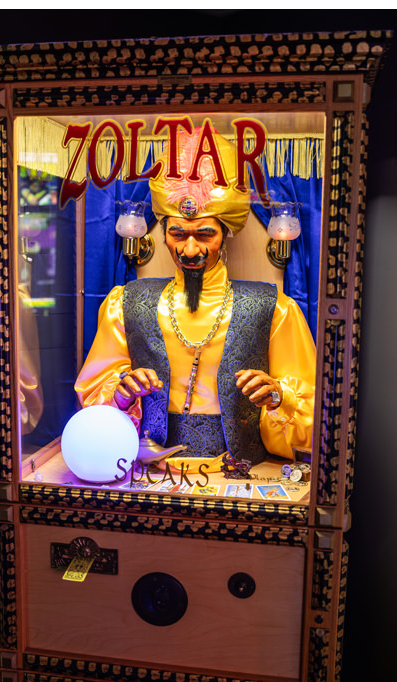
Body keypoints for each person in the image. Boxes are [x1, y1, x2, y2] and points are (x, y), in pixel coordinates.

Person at [74, 124, 315, 466]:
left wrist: (278, 396)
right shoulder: (124, 303)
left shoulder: (274, 309)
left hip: (241, 472)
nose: (189, 249)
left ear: (225, 234)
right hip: (149, 472)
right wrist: (121, 395)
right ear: (165, 235)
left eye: (204, 234)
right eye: (177, 234)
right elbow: (95, 400)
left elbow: (310, 405)